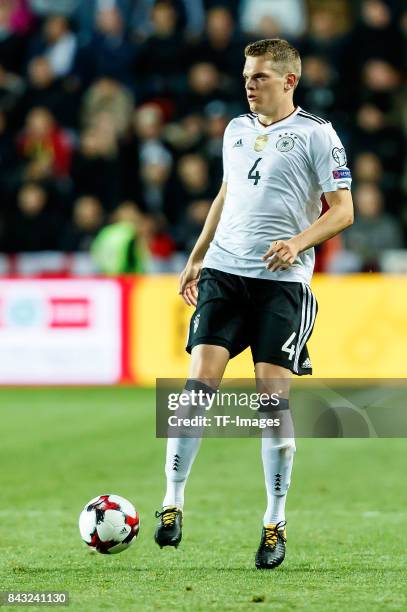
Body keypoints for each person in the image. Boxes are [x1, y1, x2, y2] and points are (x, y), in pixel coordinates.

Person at [154, 38, 353, 569]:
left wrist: (298, 242)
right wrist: (197, 256)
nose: (248, 83)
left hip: (281, 283)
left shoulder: (317, 135)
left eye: (260, 76)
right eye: (246, 74)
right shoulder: (236, 130)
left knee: (270, 401)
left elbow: (343, 211)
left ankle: (274, 520)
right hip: (224, 271)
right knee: (198, 387)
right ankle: (171, 502)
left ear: (289, 81)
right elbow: (226, 191)